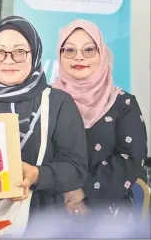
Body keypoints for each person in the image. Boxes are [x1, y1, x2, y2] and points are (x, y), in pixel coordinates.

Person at [0, 16, 88, 235]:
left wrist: (37, 174)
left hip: (41, 225)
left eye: (20, 51)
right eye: (0, 51)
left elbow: (76, 169)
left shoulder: (57, 102)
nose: (9, 60)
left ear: (35, 54)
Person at [53, 19, 148, 220]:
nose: (79, 57)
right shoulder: (46, 101)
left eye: (89, 50)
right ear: (59, 56)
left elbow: (132, 159)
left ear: (102, 54)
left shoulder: (123, 104)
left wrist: (82, 191)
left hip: (110, 213)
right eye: (69, 50)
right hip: (50, 209)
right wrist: (63, 192)